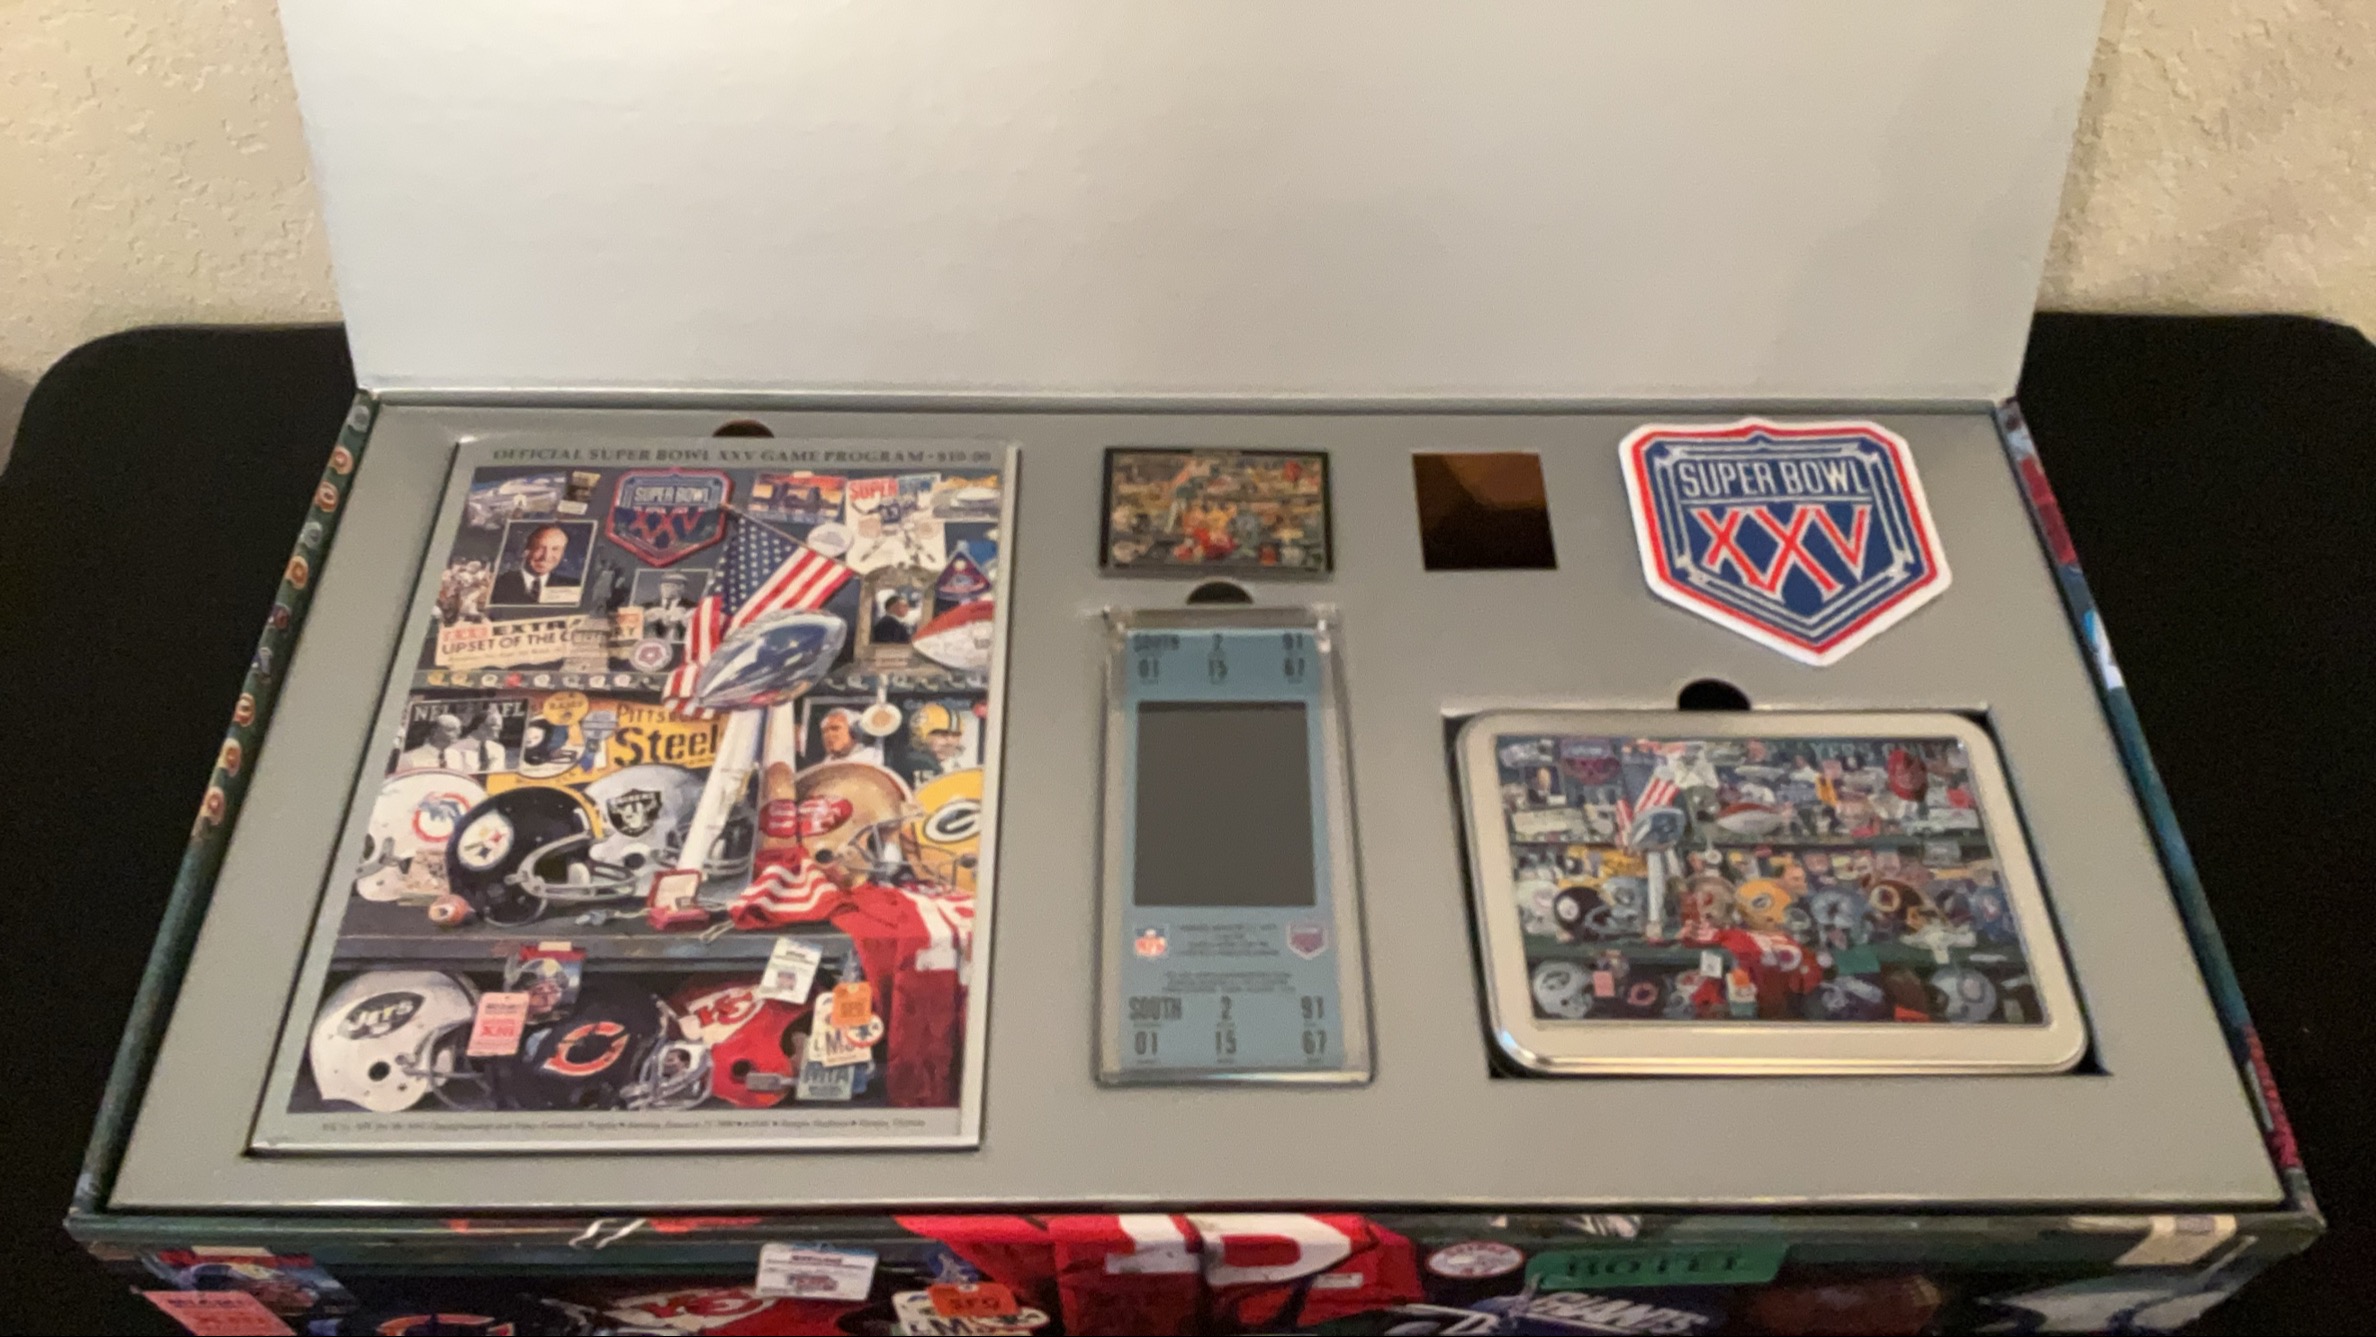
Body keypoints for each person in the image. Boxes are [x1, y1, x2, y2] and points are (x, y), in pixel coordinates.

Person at [493, 524, 573, 604]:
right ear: (525, 550)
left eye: (555, 549)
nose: (546, 556)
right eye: (540, 548)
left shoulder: (571, 587)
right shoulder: (496, 584)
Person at [813, 708, 883, 766]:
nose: (828, 735)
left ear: (853, 731)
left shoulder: (873, 757)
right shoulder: (825, 764)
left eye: (835, 728)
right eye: (824, 731)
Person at [400, 714, 466, 771]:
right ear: (434, 731)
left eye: (459, 730)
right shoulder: (410, 758)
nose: (458, 733)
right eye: (450, 729)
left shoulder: (458, 757)